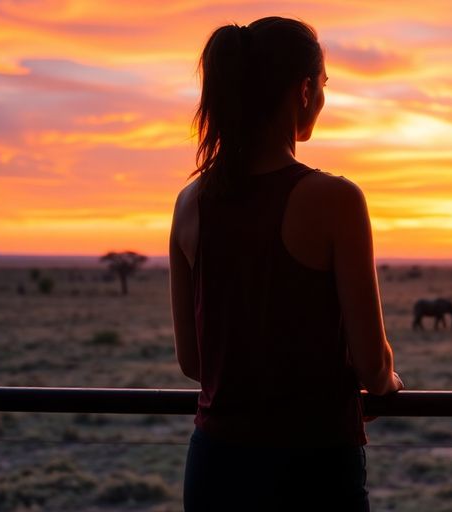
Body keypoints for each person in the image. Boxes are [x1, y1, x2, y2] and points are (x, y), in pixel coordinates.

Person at [168, 16, 404, 511]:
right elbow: (372, 364)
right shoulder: (335, 199)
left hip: (215, 467)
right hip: (311, 471)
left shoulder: (190, 202)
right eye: (322, 86)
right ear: (302, 91)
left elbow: (193, 362)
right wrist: (389, 384)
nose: (322, 99)